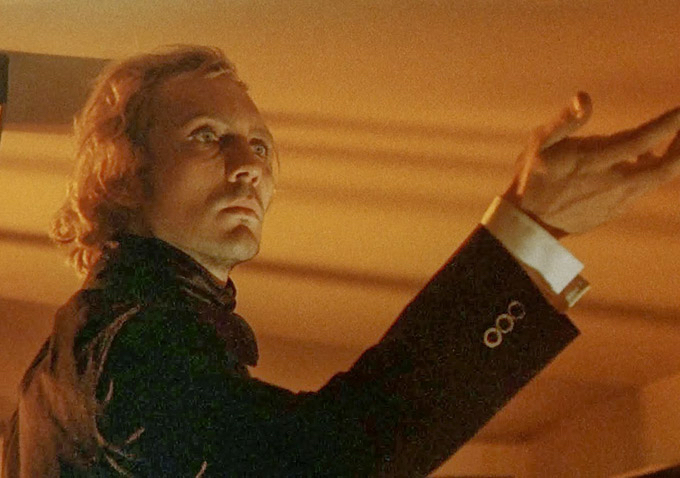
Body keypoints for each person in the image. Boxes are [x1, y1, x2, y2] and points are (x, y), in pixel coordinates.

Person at [2, 45, 679, 477]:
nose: (247, 166)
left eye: (259, 146)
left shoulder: (70, 361)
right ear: (125, 173)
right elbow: (332, 461)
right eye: (206, 136)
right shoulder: (125, 337)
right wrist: (526, 231)